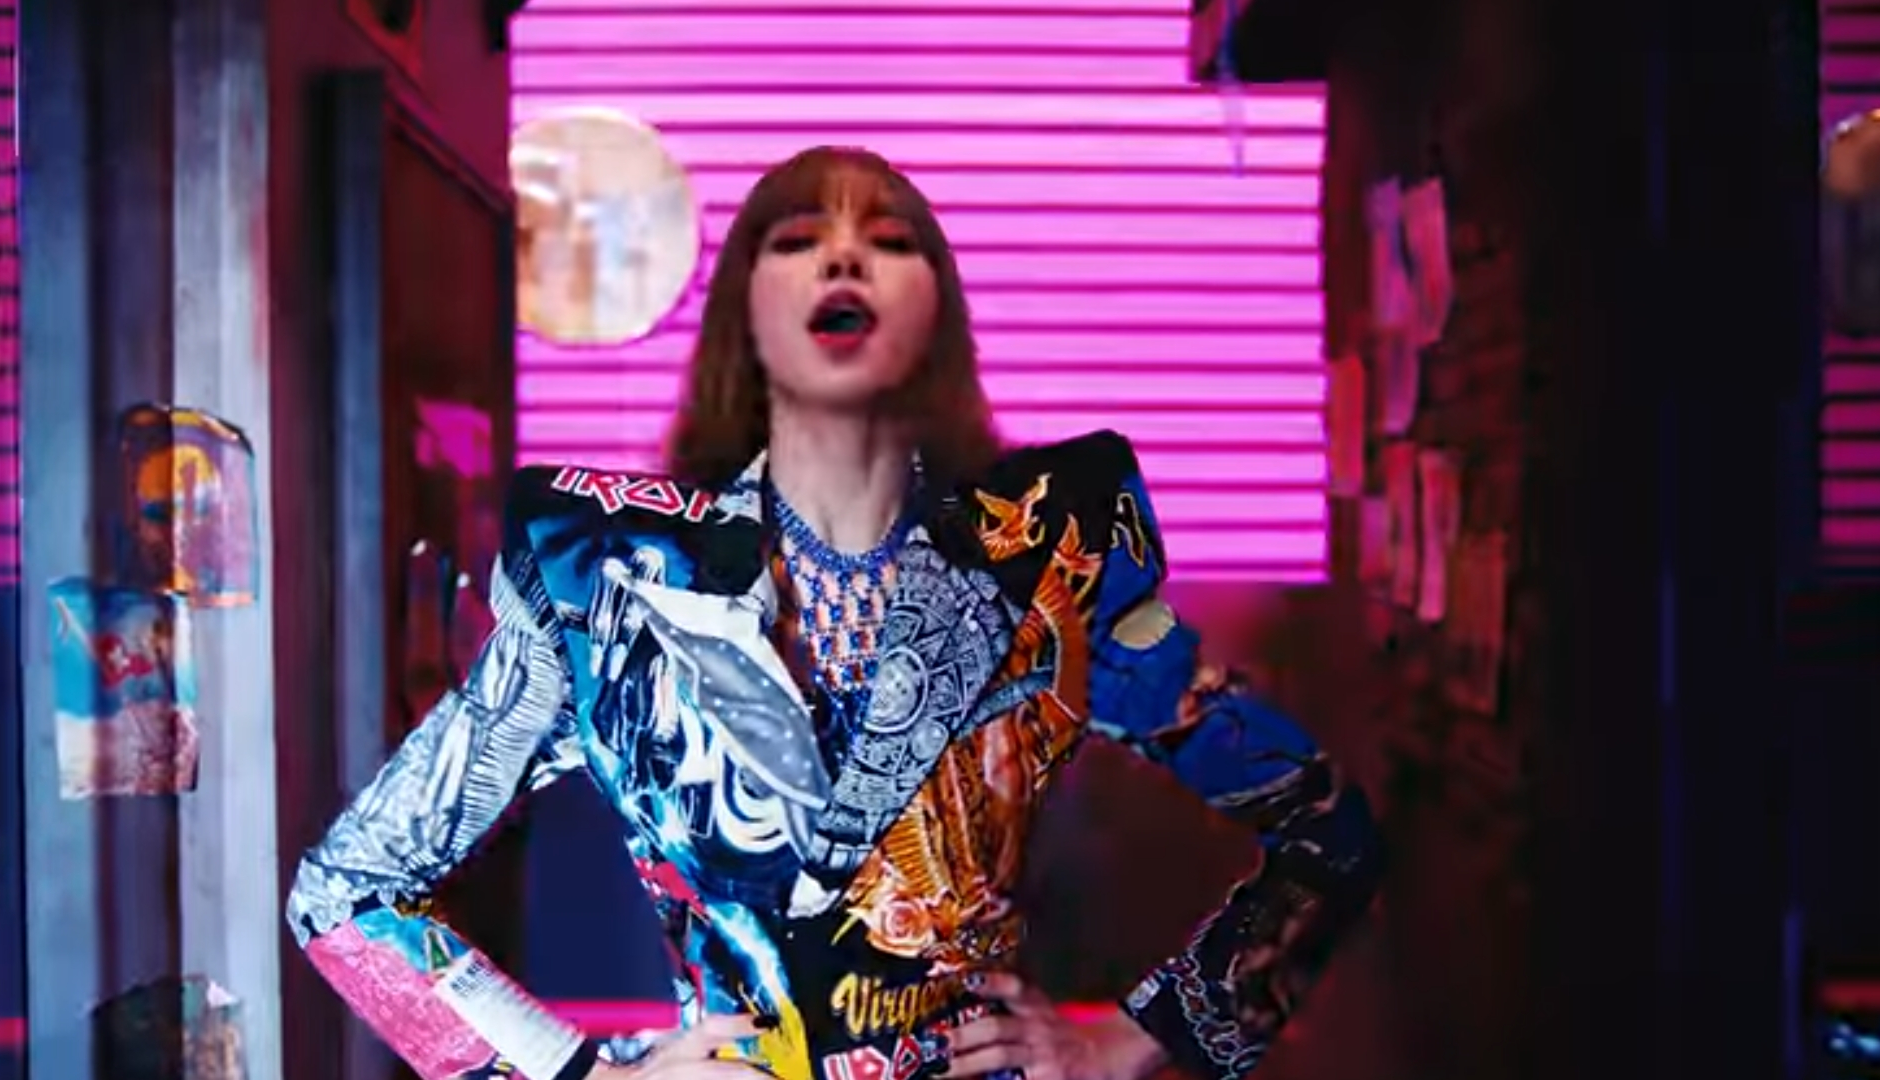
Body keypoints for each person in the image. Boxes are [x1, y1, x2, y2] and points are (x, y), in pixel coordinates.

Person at [286, 147, 1384, 1080]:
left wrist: (1134, 1042)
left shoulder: (1048, 565)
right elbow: (347, 896)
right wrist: (582, 1072)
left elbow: (1327, 833)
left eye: (890, 240)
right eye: (799, 237)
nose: (845, 257)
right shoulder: (611, 579)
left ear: (939, 309)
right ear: (744, 307)